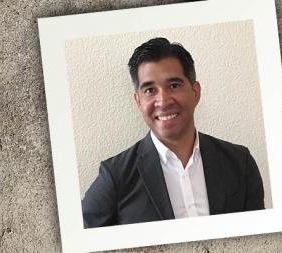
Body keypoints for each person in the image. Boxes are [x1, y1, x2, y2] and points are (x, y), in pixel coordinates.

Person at [82, 37, 264, 228]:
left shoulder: (239, 163)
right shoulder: (115, 176)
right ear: (138, 101)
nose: (163, 100)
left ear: (195, 92)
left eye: (174, 86)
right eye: (150, 90)